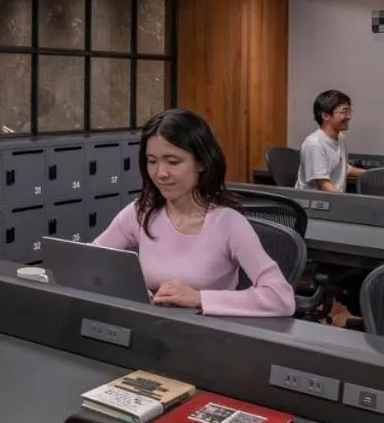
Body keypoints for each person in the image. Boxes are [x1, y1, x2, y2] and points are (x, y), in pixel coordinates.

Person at [93, 108, 295, 318]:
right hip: (152, 330)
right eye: (152, 161)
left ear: (202, 162)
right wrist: (130, 290)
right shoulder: (141, 212)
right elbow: (87, 261)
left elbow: (281, 298)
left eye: (173, 162)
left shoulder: (229, 224)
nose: (160, 173)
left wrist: (200, 298)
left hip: (209, 336)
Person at [296, 89, 365, 193]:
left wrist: (376, 174)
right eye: (344, 112)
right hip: (316, 205)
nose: (349, 117)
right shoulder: (314, 144)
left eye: (349, 112)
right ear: (326, 116)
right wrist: (348, 202)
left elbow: (342, 168)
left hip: (333, 200)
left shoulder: (341, 138)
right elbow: (324, 184)